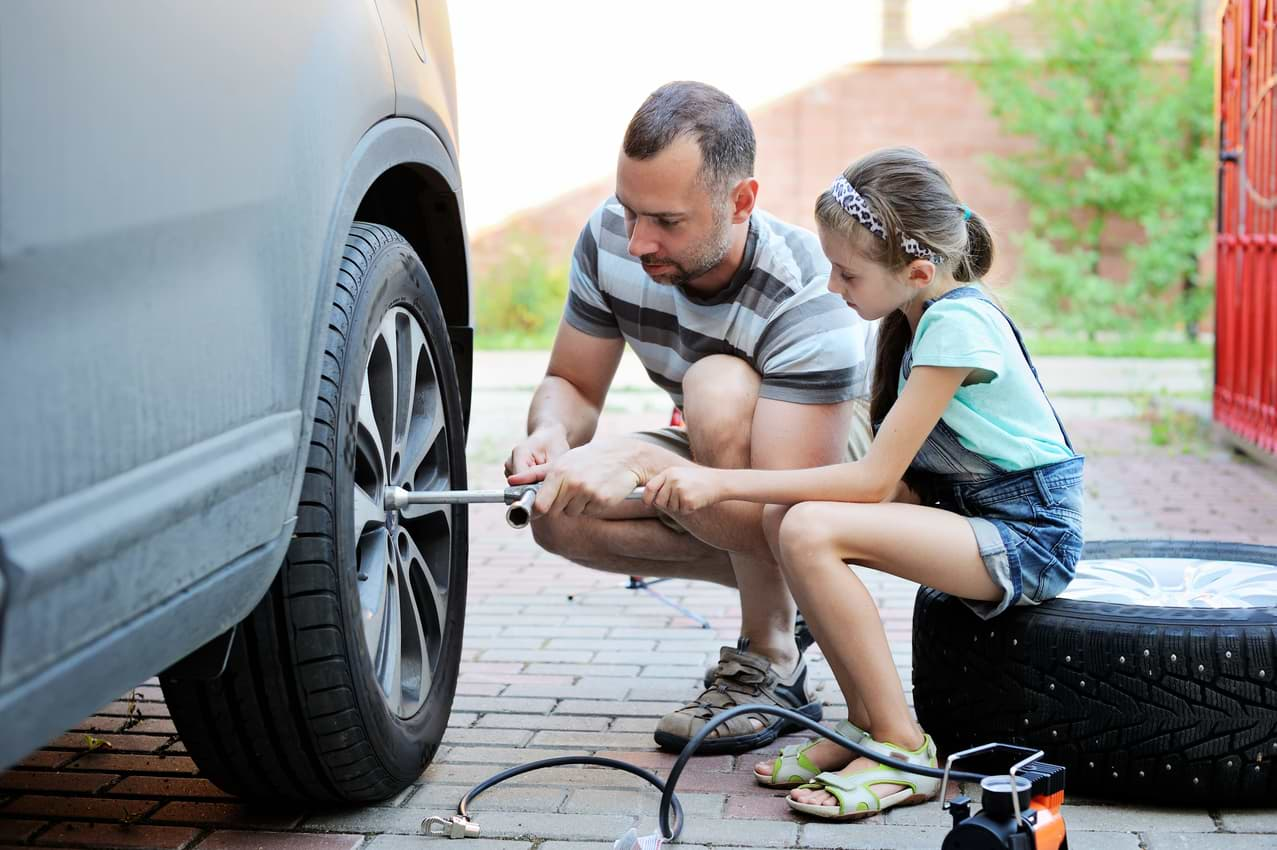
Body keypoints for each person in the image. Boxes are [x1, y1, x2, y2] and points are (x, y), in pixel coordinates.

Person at [642, 146, 1084, 819]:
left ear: (914, 270)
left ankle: (903, 749)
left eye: (845, 273)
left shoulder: (958, 325)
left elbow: (874, 480)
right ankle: (862, 722)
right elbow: (893, 476)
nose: (831, 287)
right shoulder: (917, 312)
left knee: (810, 527)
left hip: (1025, 534)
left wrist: (719, 482)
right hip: (970, 510)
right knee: (793, 520)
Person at [504, 81, 877, 755]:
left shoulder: (808, 295)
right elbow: (572, 383)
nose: (639, 241)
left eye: (667, 222)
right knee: (557, 512)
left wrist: (642, 463)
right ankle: (804, 600)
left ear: (740, 203)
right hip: (733, 467)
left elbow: (782, 512)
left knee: (714, 382)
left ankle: (771, 656)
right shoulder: (609, 241)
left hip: (822, 472)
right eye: (629, 211)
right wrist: (551, 432)